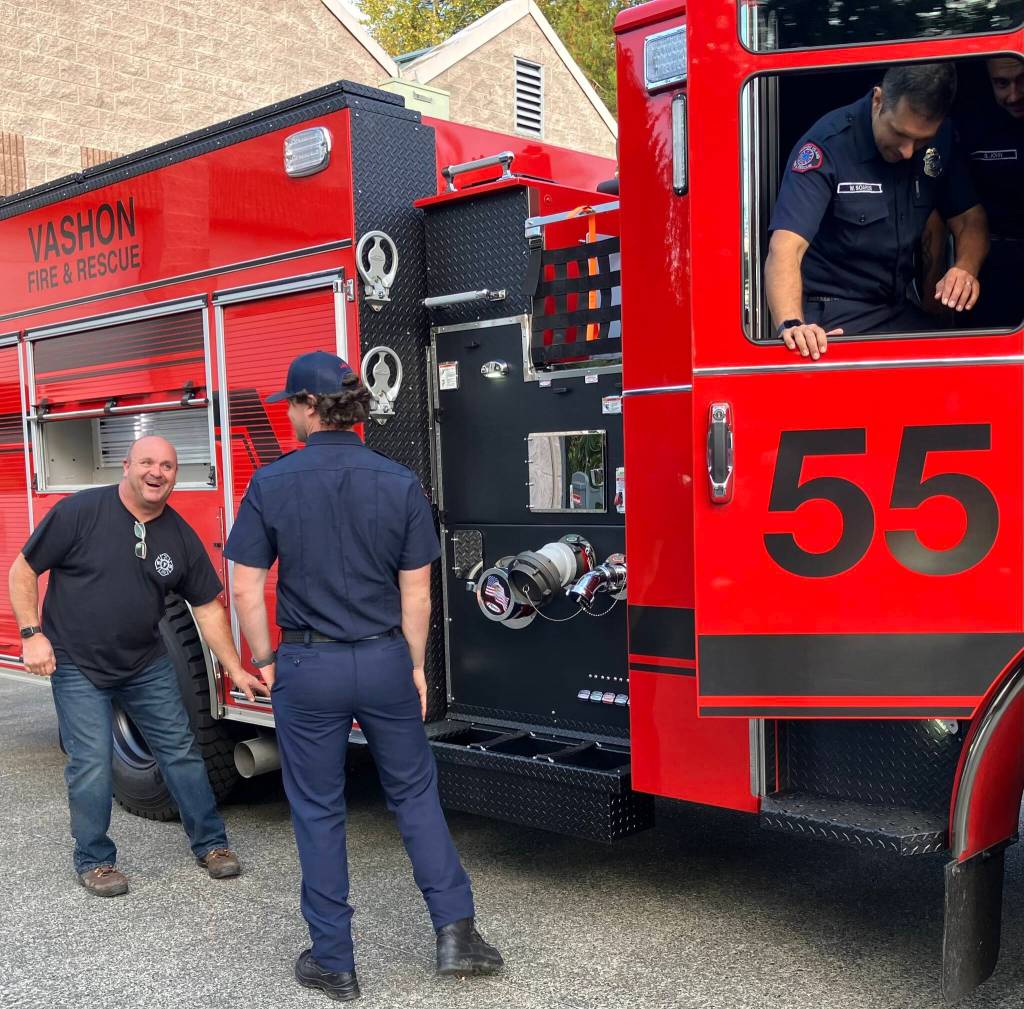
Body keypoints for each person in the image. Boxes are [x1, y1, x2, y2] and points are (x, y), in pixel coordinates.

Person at [224, 351, 502, 1002]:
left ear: (308, 406)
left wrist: (265, 657)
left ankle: (334, 961)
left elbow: (244, 586)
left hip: (308, 664)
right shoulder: (398, 481)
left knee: (318, 810)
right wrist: (410, 663)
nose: (287, 415)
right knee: (413, 794)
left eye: (290, 403)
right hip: (382, 659)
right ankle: (456, 932)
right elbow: (419, 597)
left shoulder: (272, 482)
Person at [8, 436, 267, 897]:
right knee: (90, 763)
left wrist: (235, 667)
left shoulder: (178, 535)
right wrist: (32, 635)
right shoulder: (80, 512)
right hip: (77, 663)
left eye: (167, 465)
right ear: (126, 465)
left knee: (182, 753)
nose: (157, 472)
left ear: (175, 475)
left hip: (146, 663)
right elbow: (23, 570)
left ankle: (211, 844)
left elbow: (207, 606)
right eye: (147, 462)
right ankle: (95, 860)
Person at [766, 63, 989, 360]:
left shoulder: (943, 138)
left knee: (959, 367)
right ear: (878, 101)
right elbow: (785, 248)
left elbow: (969, 219)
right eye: (900, 134)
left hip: (897, 309)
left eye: (921, 140)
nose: (908, 151)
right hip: (833, 314)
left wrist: (965, 268)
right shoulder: (827, 145)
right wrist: (793, 325)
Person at [955, 57, 1024, 328]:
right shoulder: (971, 124)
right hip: (991, 262)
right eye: (1002, 83)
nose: (1013, 94)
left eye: (1022, 79)